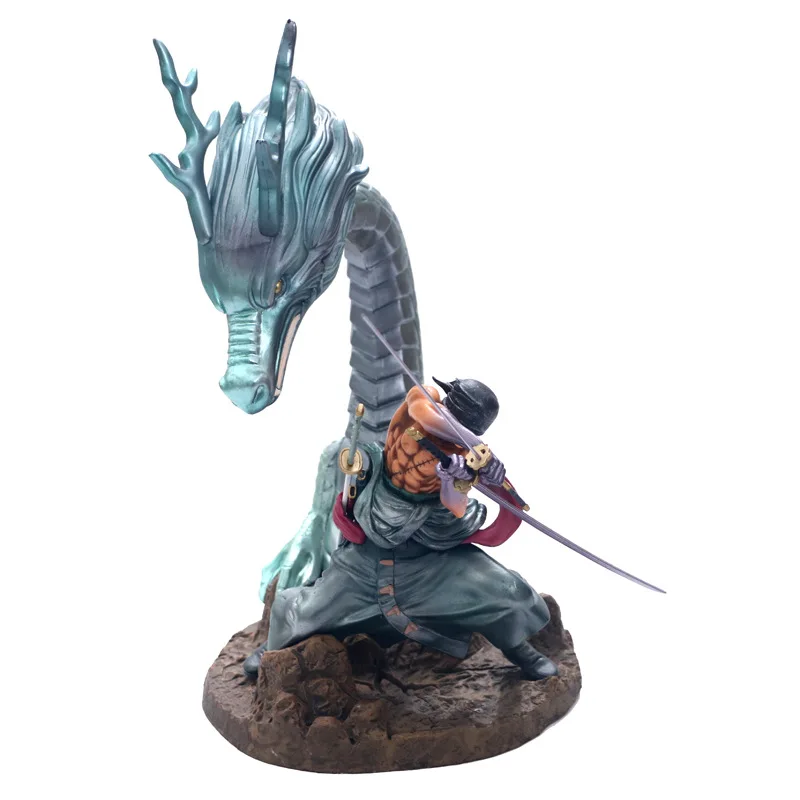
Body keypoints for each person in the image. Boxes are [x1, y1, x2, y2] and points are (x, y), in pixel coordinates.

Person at [243, 378, 557, 681]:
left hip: (429, 549)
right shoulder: (423, 404)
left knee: (505, 591)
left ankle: (518, 650)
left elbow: (455, 505)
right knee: (308, 608)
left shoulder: (463, 456)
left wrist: (457, 478)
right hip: (372, 542)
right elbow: (428, 415)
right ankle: (272, 646)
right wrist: (476, 447)